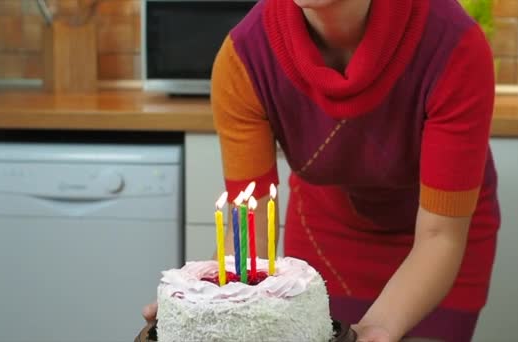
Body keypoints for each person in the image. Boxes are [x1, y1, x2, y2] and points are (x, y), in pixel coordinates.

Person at [144, 0, 500, 340]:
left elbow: (440, 236)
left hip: (440, 241)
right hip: (325, 233)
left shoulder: (454, 47)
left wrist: (379, 327)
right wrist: (203, 303)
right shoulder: (245, 57)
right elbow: (250, 233)